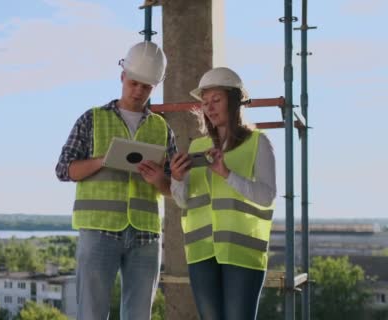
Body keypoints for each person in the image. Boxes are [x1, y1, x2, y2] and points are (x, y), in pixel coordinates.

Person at [55, 41, 177, 320]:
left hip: (145, 235)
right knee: (92, 314)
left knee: (139, 315)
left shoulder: (162, 128)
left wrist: (160, 180)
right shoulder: (92, 119)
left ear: (153, 87)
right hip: (99, 232)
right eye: (134, 83)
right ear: (122, 76)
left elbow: (173, 189)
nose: (138, 92)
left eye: (146, 87)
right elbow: (64, 170)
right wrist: (102, 160)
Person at [170, 67, 277, 320]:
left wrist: (228, 174)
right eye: (205, 103)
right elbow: (183, 200)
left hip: (241, 253)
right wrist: (177, 179)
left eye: (216, 100)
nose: (209, 107)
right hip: (201, 253)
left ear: (234, 100)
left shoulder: (258, 143)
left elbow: (267, 196)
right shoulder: (197, 147)